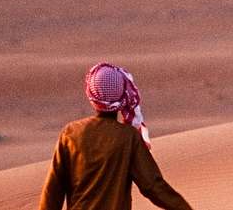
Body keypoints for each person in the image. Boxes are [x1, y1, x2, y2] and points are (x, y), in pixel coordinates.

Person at [39, 63, 192, 210]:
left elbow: (53, 191)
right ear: (122, 97)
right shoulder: (129, 137)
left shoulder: (71, 133)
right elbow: (153, 186)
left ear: (91, 95)